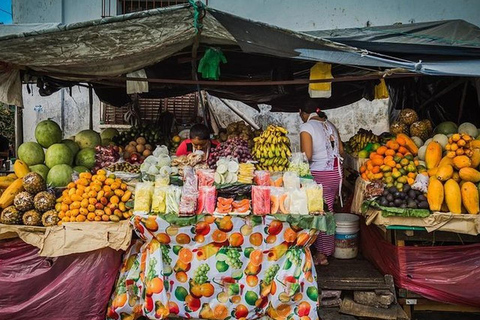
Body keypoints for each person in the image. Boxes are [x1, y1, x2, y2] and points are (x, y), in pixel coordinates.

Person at [299, 101, 344, 266]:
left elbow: (307, 156)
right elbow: (341, 151)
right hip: (335, 174)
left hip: (320, 174)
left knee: (321, 214)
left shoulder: (307, 127)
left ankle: (323, 253)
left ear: (302, 112)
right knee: (328, 210)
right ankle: (322, 249)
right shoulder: (329, 124)